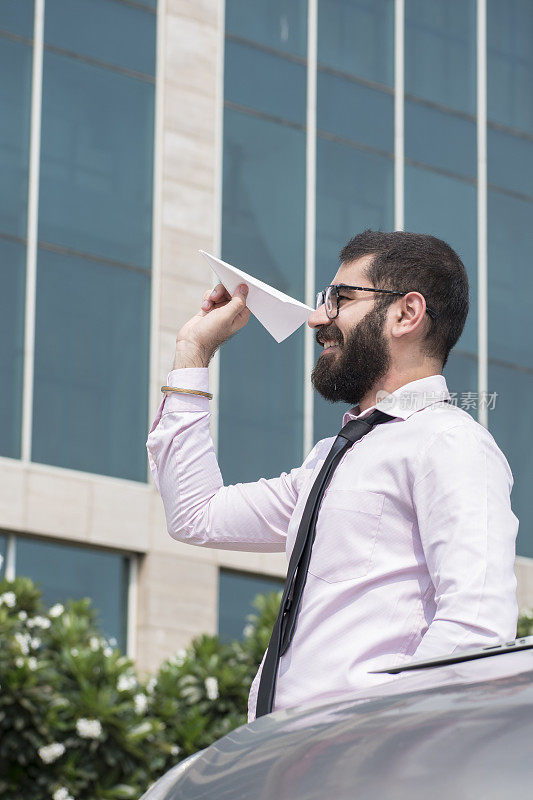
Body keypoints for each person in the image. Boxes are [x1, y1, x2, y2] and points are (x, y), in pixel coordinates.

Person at [146, 229, 518, 722]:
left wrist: (377, 747)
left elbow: (475, 627)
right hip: (288, 754)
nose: (318, 317)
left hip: (357, 761)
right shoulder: (330, 458)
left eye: (340, 298)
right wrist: (193, 352)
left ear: (407, 313)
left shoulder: (450, 442)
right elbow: (196, 515)